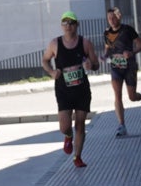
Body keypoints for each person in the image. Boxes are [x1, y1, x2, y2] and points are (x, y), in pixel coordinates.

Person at [41, 11, 100, 168]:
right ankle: (68, 136)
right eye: (65, 23)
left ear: (77, 25)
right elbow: (45, 60)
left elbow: (96, 64)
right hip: (63, 90)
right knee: (65, 126)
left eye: (71, 23)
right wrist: (52, 72)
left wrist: (90, 65)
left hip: (81, 90)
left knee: (80, 124)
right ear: (61, 26)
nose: (68, 26)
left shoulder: (85, 43)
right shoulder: (55, 44)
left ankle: (77, 157)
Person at [103, 6, 141, 137]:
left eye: (114, 17)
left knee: (131, 97)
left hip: (129, 67)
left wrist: (132, 52)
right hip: (115, 68)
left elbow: (140, 45)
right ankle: (121, 125)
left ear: (118, 17)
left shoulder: (128, 29)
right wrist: (104, 56)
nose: (112, 20)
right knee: (117, 95)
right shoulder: (107, 33)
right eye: (109, 18)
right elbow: (107, 49)